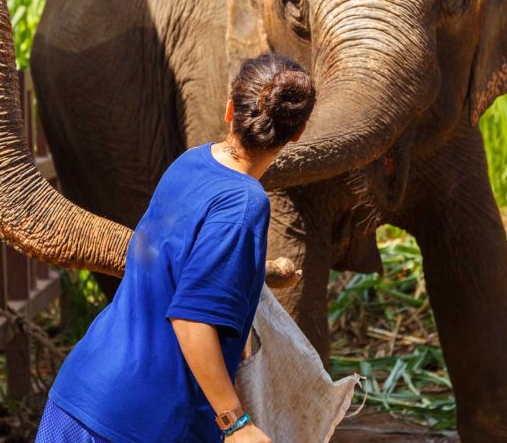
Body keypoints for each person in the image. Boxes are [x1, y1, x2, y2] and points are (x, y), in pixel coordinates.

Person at [37, 53, 317, 443]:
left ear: (230, 109)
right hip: (142, 422)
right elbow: (192, 320)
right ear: (299, 132)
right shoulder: (245, 203)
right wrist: (236, 423)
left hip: (81, 391)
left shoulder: (190, 162)